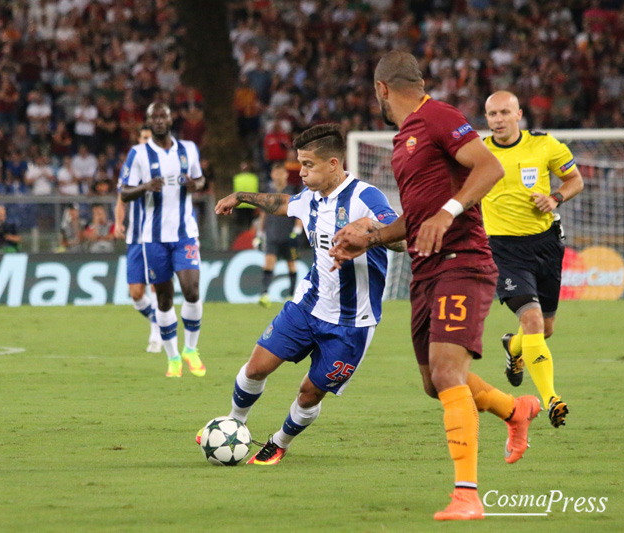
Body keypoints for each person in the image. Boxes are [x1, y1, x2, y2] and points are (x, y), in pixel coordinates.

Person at [330, 51, 541, 521]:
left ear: (382, 89)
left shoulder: (439, 115)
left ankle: (467, 495)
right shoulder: (404, 137)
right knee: (435, 382)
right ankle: (515, 410)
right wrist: (370, 238)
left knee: (447, 373)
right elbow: (415, 220)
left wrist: (450, 211)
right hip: (425, 270)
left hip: (462, 262)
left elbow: (489, 168)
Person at [212, 123, 404, 465]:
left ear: (333, 164)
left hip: (352, 323)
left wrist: (370, 229)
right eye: (299, 164)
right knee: (256, 368)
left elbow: (403, 239)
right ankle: (233, 424)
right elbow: (283, 203)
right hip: (307, 306)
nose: (300, 172)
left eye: (308, 165)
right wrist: (241, 197)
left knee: (308, 393)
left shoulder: (365, 197)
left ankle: (279, 442)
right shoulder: (311, 198)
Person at [482, 90, 583, 428]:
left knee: (546, 329)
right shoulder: (479, 153)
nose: (497, 120)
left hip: (546, 245)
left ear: (519, 114)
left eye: (504, 113)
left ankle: (515, 349)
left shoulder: (544, 145)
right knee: (534, 322)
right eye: (492, 114)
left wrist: (555, 197)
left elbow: (574, 180)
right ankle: (552, 398)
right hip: (505, 251)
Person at [120, 103, 206, 377]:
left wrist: (196, 185)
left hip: (185, 233)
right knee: (165, 299)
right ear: (148, 121)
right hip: (153, 238)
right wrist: (146, 186)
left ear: (171, 119)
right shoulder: (138, 154)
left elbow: (201, 179)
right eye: (154, 117)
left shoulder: (188, 149)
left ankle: (191, 350)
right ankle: (173, 358)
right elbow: (124, 192)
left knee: (191, 290)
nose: (158, 121)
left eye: (163, 116)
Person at [114, 125, 161, 353]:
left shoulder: (163, 164)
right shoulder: (131, 163)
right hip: (135, 237)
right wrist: (119, 222)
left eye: (149, 138)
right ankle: (157, 321)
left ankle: (156, 333)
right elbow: (121, 198)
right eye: (143, 137)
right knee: (135, 293)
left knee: (156, 288)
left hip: (157, 236)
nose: (146, 141)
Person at [257, 163, 302, 308]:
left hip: (288, 234)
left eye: (281, 173)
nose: (278, 176)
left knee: (291, 265)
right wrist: (260, 233)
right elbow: (263, 213)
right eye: (276, 173)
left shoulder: (292, 191)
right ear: (272, 175)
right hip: (272, 234)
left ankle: (291, 295)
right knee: (269, 262)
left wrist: (297, 230)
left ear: (286, 175)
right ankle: (265, 294)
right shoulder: (268, 192)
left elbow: (299, 212)